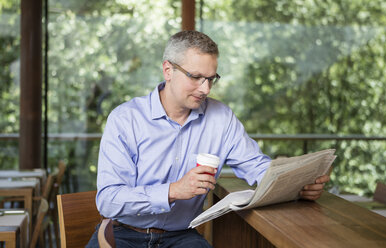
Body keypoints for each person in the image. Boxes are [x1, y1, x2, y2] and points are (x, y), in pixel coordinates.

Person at [86, 30, 330, 248]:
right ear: (168, 70)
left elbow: (257, 167)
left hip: (180, 236)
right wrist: (173, 191)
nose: (205, 89)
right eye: (195, 77)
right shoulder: (125, 119)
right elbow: (108, 202)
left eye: (211, 78)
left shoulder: (221, 118)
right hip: (122, 234)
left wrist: (299, 184)